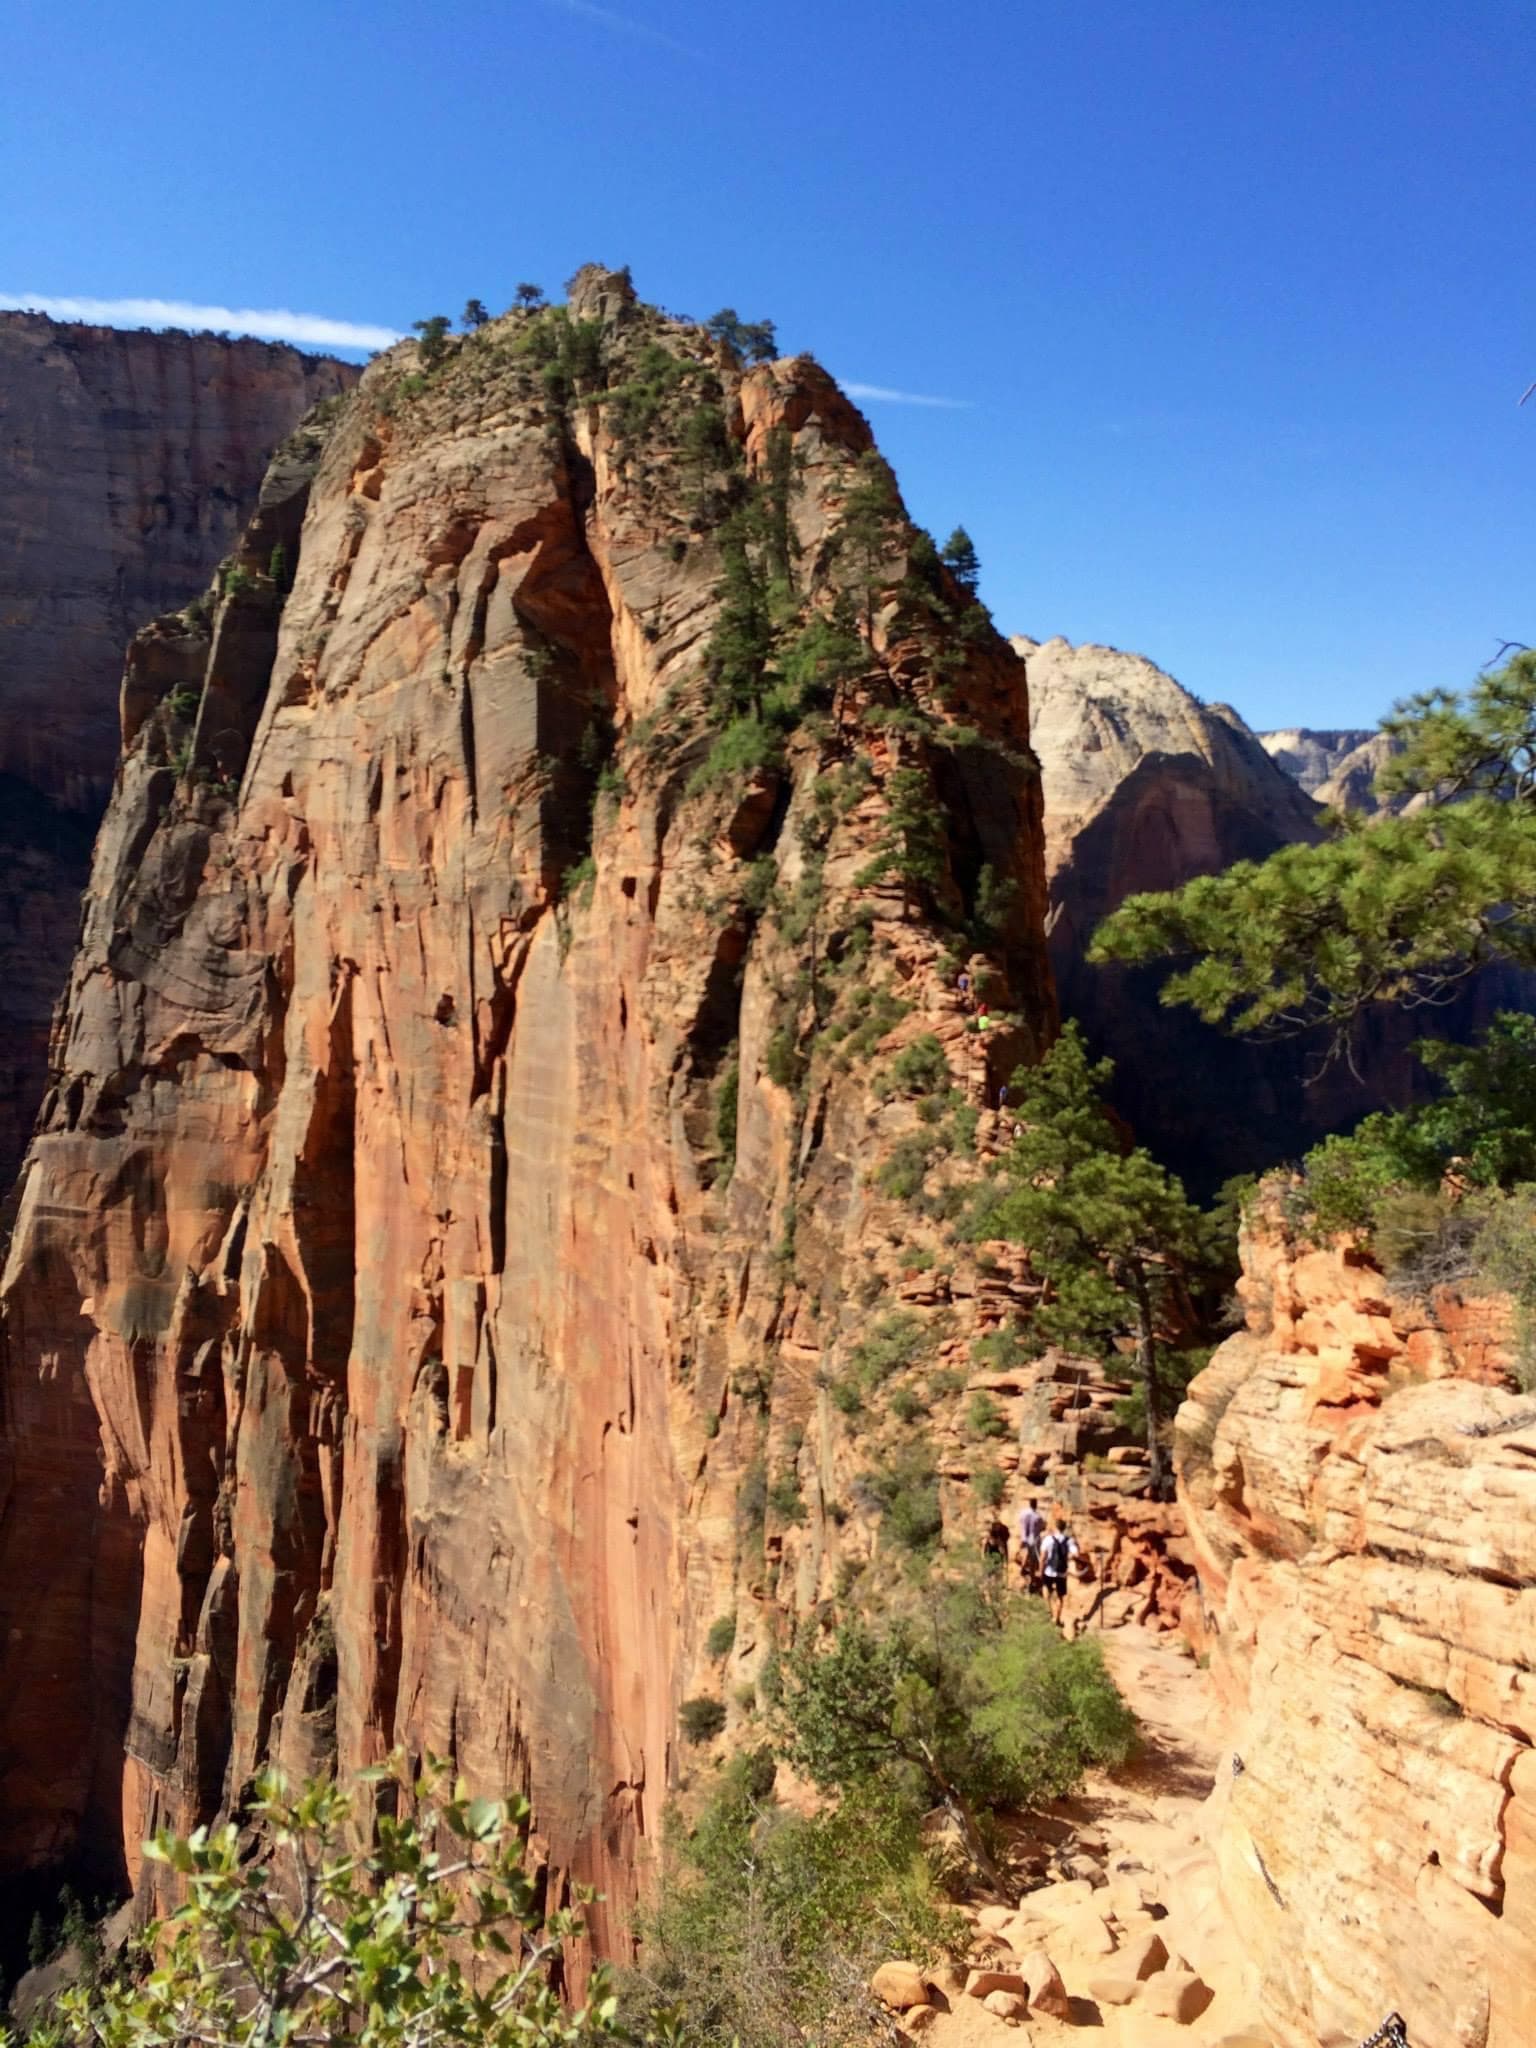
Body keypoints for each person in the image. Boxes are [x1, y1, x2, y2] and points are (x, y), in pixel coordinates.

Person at [1041, 1515, 1079, 1628]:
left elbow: (1043, 1557)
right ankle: (1056, 1618)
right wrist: (1068, 1557)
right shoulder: (1069, 1540)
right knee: (1060, 1597)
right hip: (1062, 1572)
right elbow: (1076, 1554)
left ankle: (1048, 1611)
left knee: (1046, 1588)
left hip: (1049, 1570)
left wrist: (1040, 1569)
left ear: (1056, 1527)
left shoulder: (1048, 1539)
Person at [1017, 1497, 1045, 1589]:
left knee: (1025, 1553)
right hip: (1033, 1539)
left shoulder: (1023, 1513)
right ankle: (1032, 1578)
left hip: (1023, 1537)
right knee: (1032, 1559)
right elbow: (1042, 1527)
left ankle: (1022, 1569)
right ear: (1036, 1505)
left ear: (1029, 1504)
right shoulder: (1038, 1516)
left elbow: (1020, 1521)